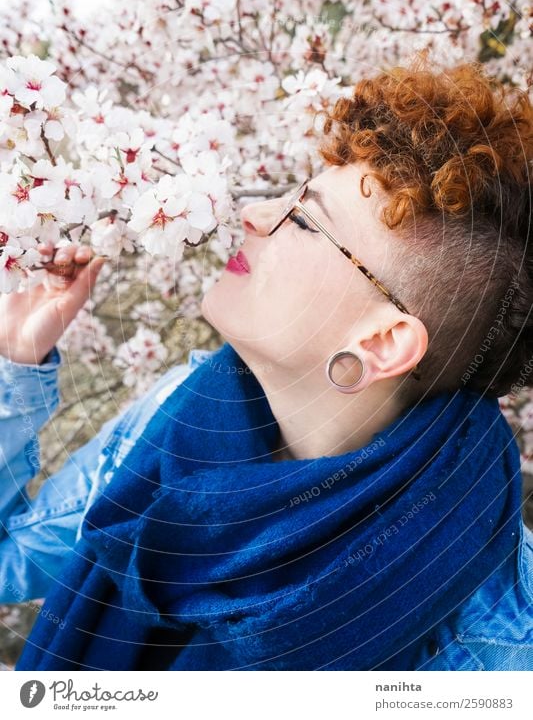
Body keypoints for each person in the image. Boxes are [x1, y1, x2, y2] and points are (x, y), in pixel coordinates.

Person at [1, 57, 532, 671]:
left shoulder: (497, 649)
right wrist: (15, 360)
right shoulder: (181, 422)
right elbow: (12, 559)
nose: (254, 215)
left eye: (304, 220)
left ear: (383, 341)